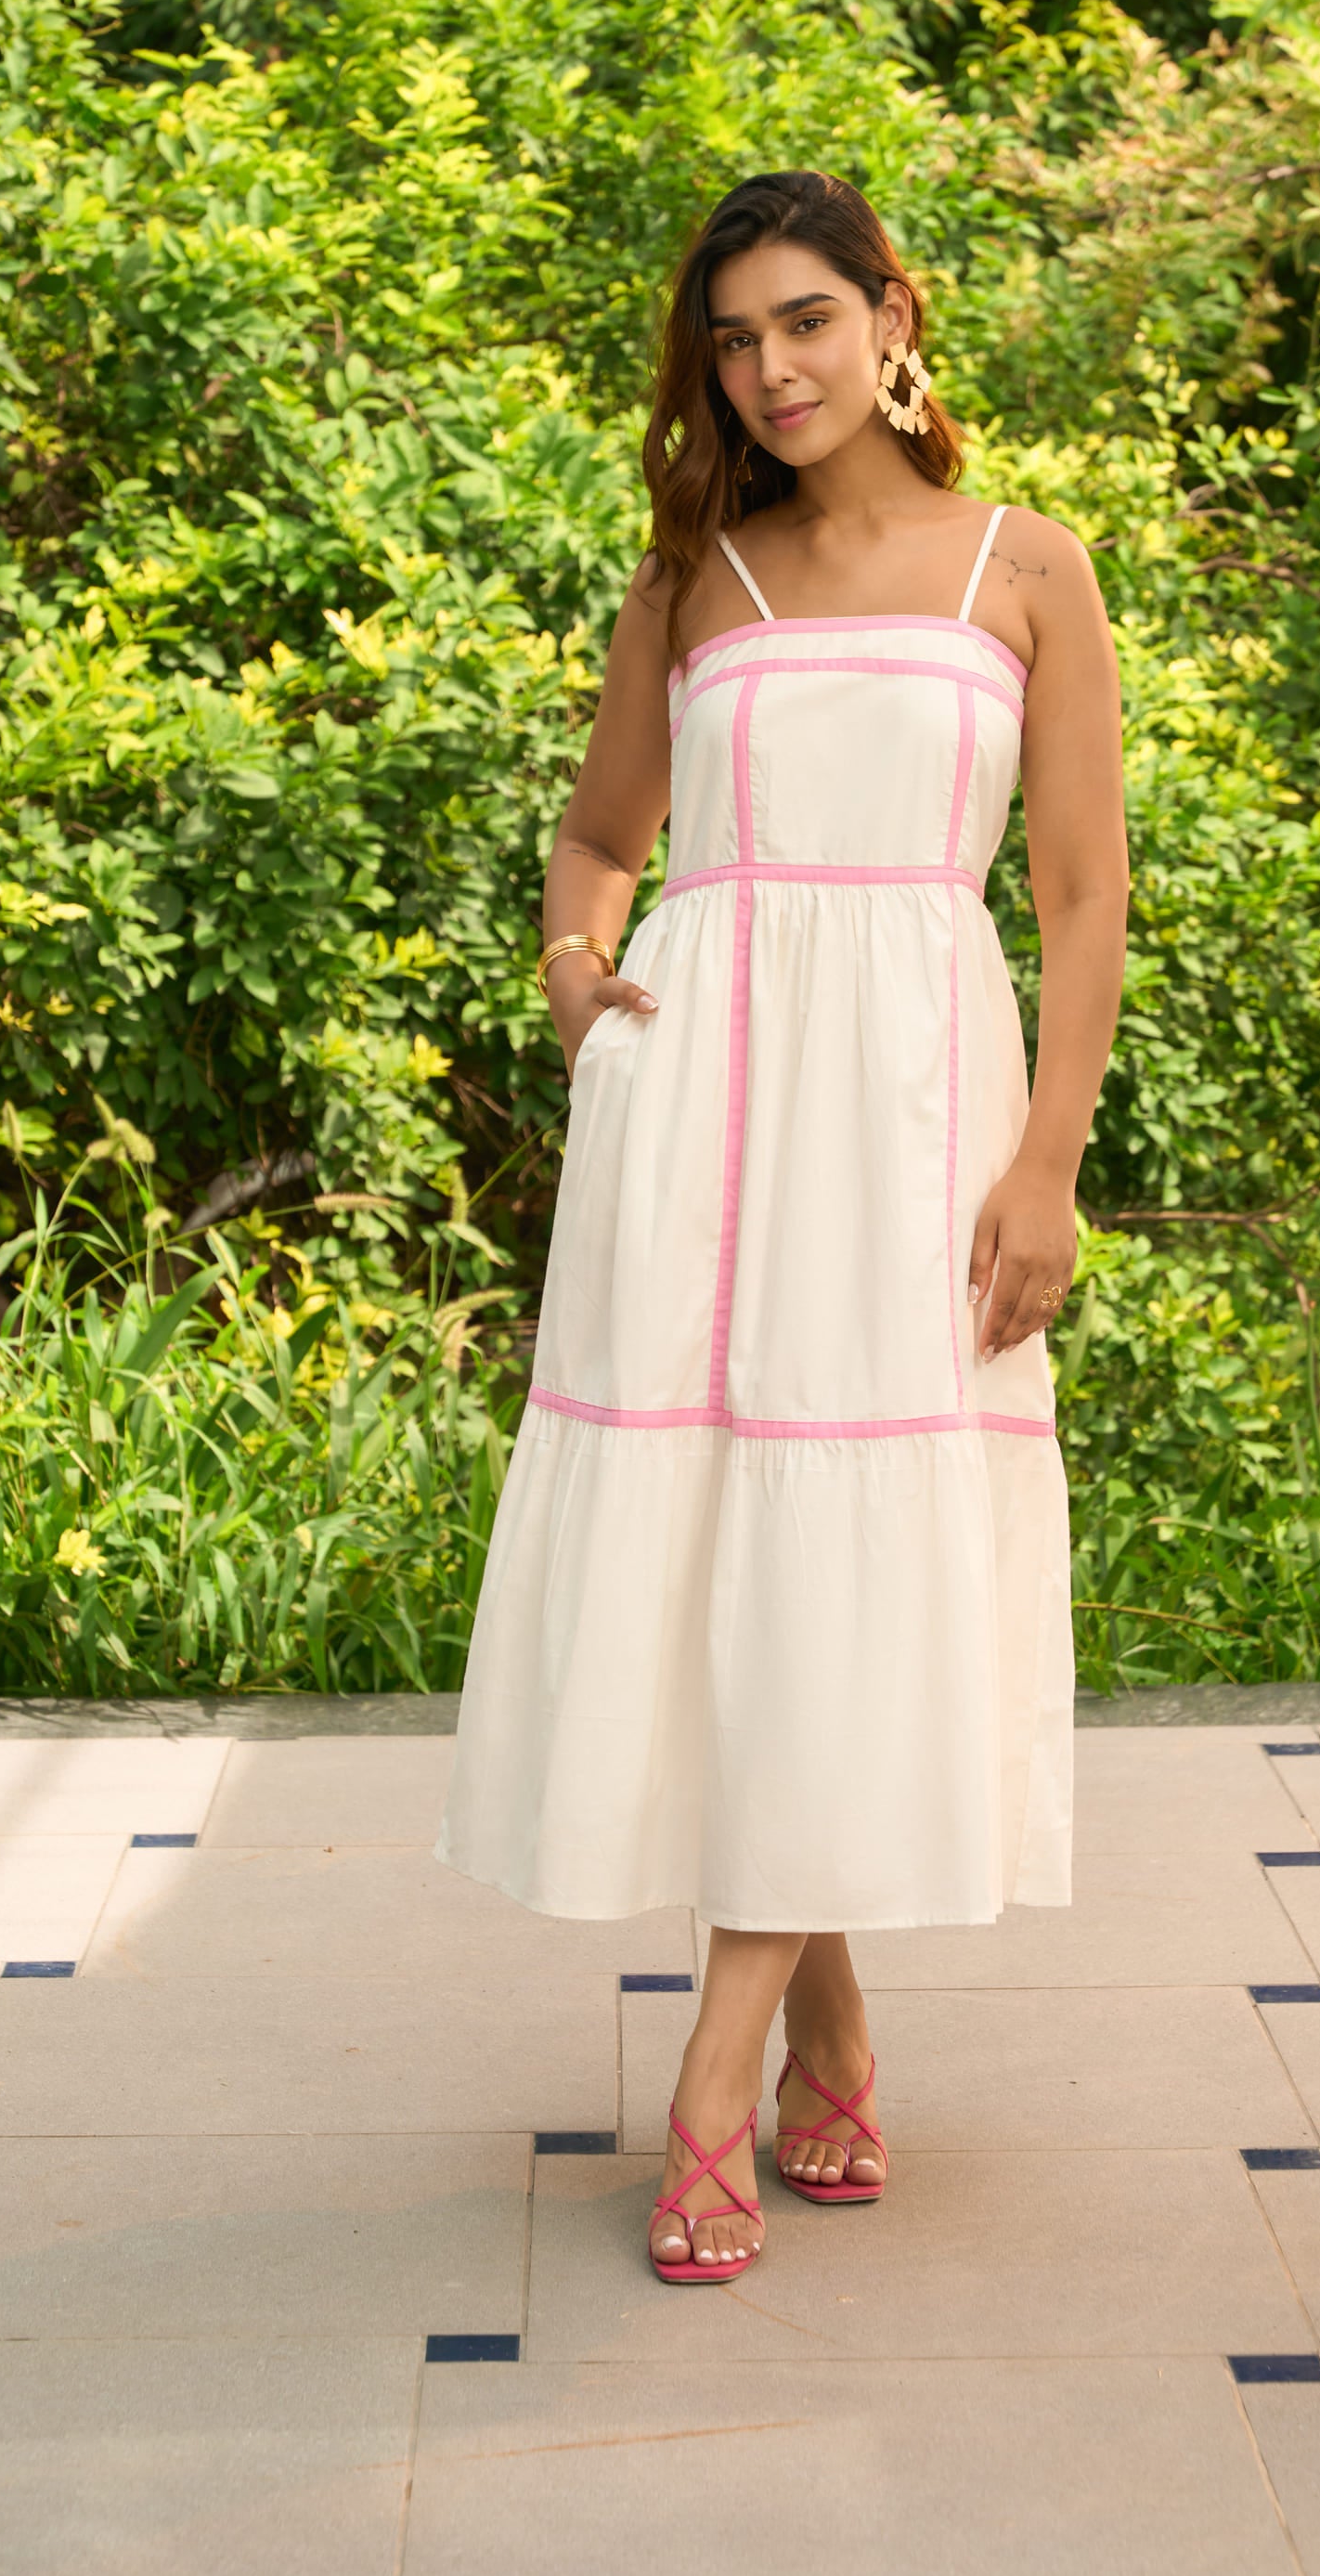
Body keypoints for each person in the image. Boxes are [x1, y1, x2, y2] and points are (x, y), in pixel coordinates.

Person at [437, 169, 1129, 2280]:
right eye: (733, 339)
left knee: (840, 1542)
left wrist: (1044, 1158)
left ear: (892, 314)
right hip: (704, 1115)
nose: (771, 368)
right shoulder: (694, 573)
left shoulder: (1028, 569)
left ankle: (714, 2074)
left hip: (918, 1112)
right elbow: (596, 835)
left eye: (806, 320)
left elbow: (1081, 894)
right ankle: (811, 2021)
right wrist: (577, 974)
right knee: (737, 1549)